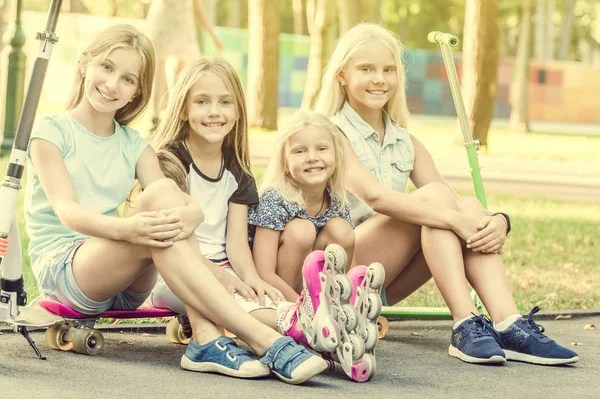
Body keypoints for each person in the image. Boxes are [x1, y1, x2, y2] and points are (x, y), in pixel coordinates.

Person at [24, 24, 326, 384]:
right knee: (159, 210)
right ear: (85, 65)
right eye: (106, 68)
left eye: (128, 79)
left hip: (126, 281)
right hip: (68, 269)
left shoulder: (134, 144)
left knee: (161, 198)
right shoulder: (51, 131)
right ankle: (251, 340)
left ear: (137, 91)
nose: (112, 85)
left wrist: (194, 218)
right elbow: (68, 212)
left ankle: (212, 343)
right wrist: (130, 230)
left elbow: (176, 203)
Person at [314, 23, 579, 366]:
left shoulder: (405, 142)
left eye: (388, 70)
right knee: (441, 204)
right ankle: (465, 322)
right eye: (366, 69)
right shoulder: (330, 133)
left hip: (386, 279)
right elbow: (377, 198)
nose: (379, 78)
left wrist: (498, 221)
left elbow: (454, 204)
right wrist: (457, 217)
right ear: (342, 77)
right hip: (343, 273)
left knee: (459, 203)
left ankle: (509, 323)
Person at [147, 58, 349, 371]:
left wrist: (252, 278)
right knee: (237, 301)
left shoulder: (238, 171)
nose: (214, 112)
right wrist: (224, 278)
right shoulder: (170, 164)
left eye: (225, 102)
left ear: (238, 110)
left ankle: (313, 326)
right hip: (174, 273)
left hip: (227, 268)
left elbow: (237, 244)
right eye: (202, 102)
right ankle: (308, 326)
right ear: (184, 110)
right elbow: (178, 245)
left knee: (258, 295)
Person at [249, 110, 384, 382]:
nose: (312, 157)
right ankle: (305, 318)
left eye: (322, 148)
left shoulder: (335, 200)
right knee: (301, 229)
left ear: (335, 159)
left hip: (314, 291)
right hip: (277, 291)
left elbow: (346, 262)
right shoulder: (275, 200)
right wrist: (300, 307)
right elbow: (263, 272)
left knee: (341, 229)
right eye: (299, 151)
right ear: (285, 163)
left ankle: (334, 314)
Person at [145, 0, 224, 129]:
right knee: (158, 70)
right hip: (163, 23)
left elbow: (199, 9)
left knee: (179, 73)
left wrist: (214, 36)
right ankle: (155, 117)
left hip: (183, 26)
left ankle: (173, 116)